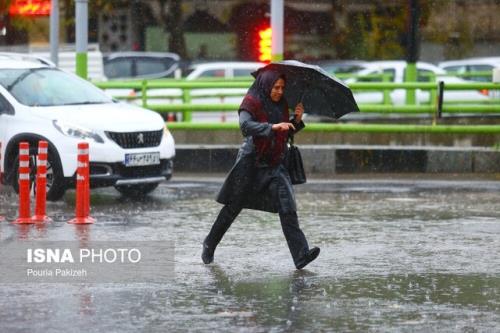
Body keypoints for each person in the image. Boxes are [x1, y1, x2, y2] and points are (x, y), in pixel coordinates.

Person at [201, 69, 320, 270]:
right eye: (276, 87)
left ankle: (301, 255)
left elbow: (284, 133)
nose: (280, 92)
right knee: (233, 207)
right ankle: (209, 243)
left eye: (283, 88)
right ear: (266, 85)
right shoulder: (251, 102)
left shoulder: (282, 104)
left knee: (288, 207)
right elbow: (246, 127)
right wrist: (272, 127)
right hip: (251, 163)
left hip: (275, 164)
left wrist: (296, 122)